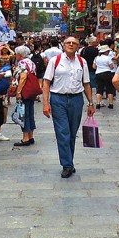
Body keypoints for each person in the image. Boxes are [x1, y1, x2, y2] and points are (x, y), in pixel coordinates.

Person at [42, 36, 94, 178]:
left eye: (74, 43)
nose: (71, 45)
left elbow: (86, 84)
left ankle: (69, 162)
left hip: (77, 99)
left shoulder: (82, 62)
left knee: (71, 133)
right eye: (68, 43)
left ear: (78, 46)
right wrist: (45, 103)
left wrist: (91, 102)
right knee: (63, 133)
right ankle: (66, 165)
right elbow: (46, 83)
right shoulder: (55, 61)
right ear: (63, 46)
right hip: (58, 99)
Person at [12, 45, 38, 148]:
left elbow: (23, 77)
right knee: (30, 113)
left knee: (24, 113)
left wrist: (18, 92)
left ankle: (25, 137)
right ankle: (31, 136)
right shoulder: (31, 62)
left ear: (19, 54)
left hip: (25, 91)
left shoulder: (22, 63)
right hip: (32, 91)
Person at [93, 40, 117, 109]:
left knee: (99, 89)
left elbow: (94, 66)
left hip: (98, 74)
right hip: (107, 73)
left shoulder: (96, 58)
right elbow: (111, 66)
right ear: (106, 52)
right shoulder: (108, 58)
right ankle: (111, 104)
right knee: (109, 89)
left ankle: (98, 103)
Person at [80, 36, 99, 102]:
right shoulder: (96, 50)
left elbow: (81, 59)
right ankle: (98, 100)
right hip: (95, 69)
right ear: (93, 42)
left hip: (86, 69)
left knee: (88, 85)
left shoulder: (84, 50)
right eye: (96, 41)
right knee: (97, 85)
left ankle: (90, 99)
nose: (97, 42)